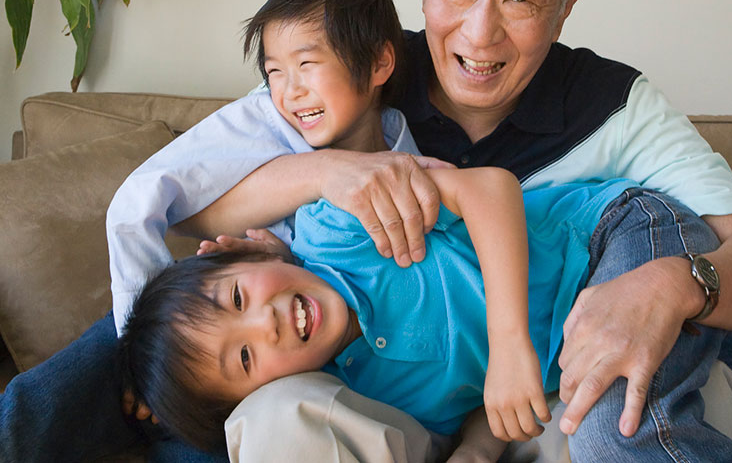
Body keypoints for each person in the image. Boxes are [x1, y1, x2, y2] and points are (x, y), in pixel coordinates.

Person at [0, 0, 732, 463]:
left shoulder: (615, 106)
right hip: (358, 345)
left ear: (569, 3)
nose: (478, 29)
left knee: (652, 394)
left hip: (581, 300)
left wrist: (665, 287)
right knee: (165, 335)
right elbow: (187, 209)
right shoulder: (350, 64)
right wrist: (326, 171)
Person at [122, 175, 656, 458]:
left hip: (607, 237)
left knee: (632, 430)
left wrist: (509, 343)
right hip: (575, 361)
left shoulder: (337, 229)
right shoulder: (362, 398)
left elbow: (488, 187)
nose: (266, 323)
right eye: (243, 357)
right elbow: (478, 402)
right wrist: (476, 450)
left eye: (237, 299)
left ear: (250, 254)